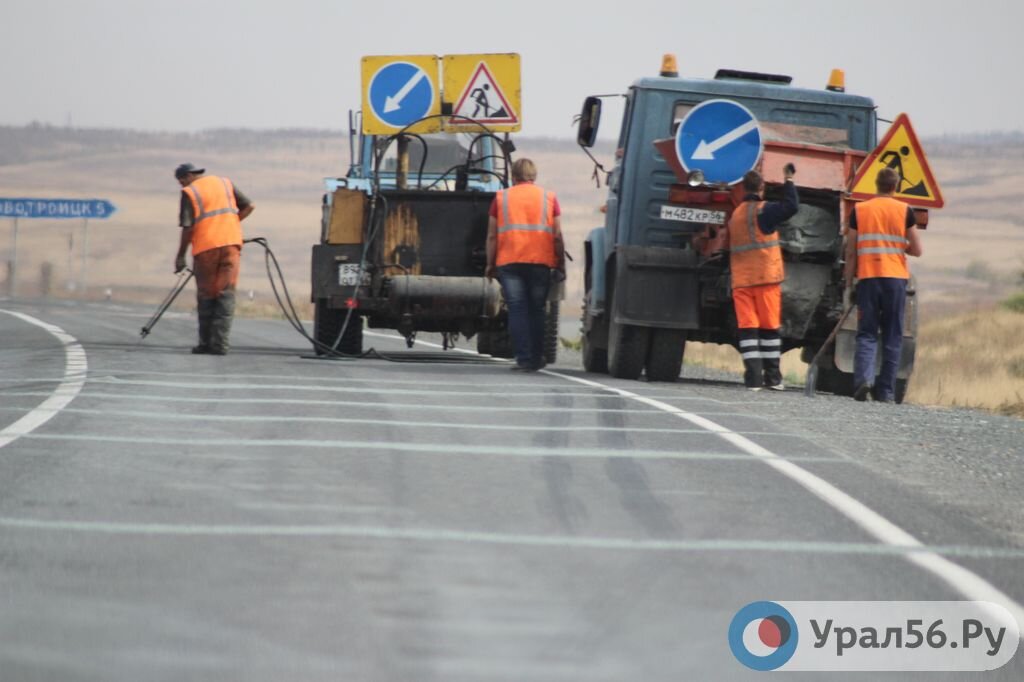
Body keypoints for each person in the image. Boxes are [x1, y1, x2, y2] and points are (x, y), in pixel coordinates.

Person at [844, 167, 922, 403]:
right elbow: (917, 249)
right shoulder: (905, 210)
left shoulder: (860, 210)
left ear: (875, 185)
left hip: (868, 278)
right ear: (895, 187)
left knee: (866, 334)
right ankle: (886, 391)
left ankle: (863, 381)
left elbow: (850, 250)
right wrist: (898, 246)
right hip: (895, 281)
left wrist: (849, 282)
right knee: (892, 335)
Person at [722, 165, 799, 390]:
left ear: (743, 188)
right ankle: (773, 378)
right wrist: (789, 179)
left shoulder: (735, 215)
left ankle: (753, 379)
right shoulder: (764, 211)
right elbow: (792, 206)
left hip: (742, 281)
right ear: (762, 188)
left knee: (748, 329)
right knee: (769, 328)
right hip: (765, 278)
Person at [485, 158, 566, 371]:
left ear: (513, 176)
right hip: (540, 263)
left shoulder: (501, 198)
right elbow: (557, 236)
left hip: (509, 262)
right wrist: (561, 264)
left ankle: (523, 358)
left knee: (517, 310)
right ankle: (537, 358)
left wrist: (489, 264)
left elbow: (492, 236)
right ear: (534, 175)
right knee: (537, 310)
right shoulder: (549, 198)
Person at [173, 163, 254, 355]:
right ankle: (220, 345)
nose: (181, 185)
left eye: (180, 181)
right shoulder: (224, 183)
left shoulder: (190, 192)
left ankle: (206, 344)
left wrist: (180, 255)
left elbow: (188, 227)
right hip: (231, 245)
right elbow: (249, 206)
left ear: (186, 176)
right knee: (226, 293)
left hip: (207, 248)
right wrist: (231, 226)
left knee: (208, 295)